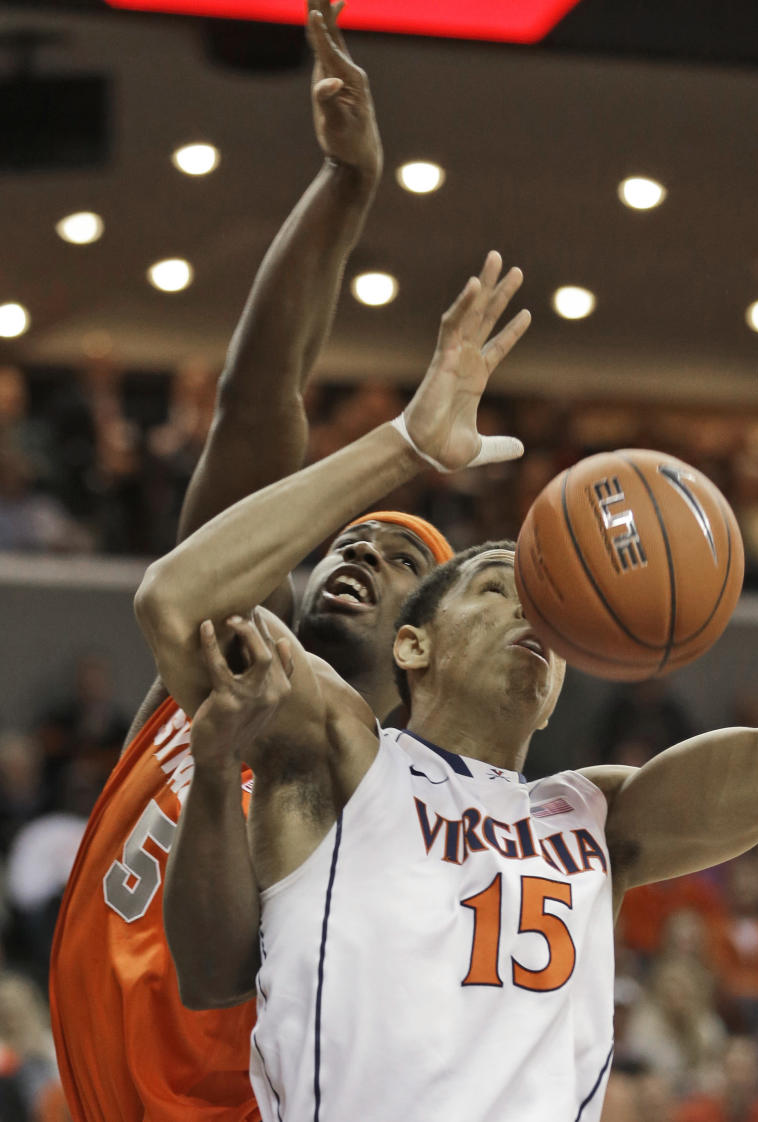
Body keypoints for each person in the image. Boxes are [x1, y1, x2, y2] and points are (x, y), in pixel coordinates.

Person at [147, 259, 758, 1120]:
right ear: (413, 646)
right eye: (502, 590)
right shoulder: (338, 754)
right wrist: (407, 444)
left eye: (551, 612)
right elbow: (176, 600)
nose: (533, 618)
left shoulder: (599, 816)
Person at [47, 4, 466, 1119]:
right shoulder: (208, 673)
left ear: (418, 653)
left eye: (395, 561)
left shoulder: (379, 795)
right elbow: (258, 400)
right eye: (352, 540)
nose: (358, 556)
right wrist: (344, 189)